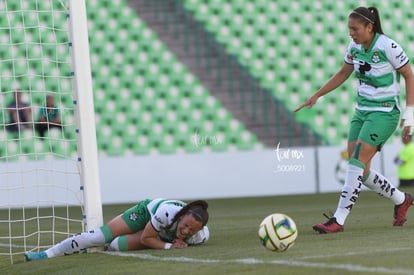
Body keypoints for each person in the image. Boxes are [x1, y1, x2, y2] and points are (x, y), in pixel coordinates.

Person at [295, 6, 414, 233]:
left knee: (356, 161)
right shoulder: (355, 47)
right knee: (362, 170)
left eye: (355, 28)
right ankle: (401, 199)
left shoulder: (387, 46)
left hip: (385, 112)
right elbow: (343, 73)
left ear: (369, 27)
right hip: (362, 112)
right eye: (349, 29)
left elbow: (409, 74)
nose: (351, 33)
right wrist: (317, 94)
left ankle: (338, 219)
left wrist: (410, 114)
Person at [25, 198, 209, 261]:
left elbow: (187, 235)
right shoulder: (166, 212)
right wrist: (170, 246)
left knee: (116, 246)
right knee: (99, 236)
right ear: (182, 215)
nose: (186, 232)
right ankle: (47, 254)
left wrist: (175, 241)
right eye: (185, 226)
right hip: (146, 214)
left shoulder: (200, 236)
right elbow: (146, 238)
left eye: (191, 231)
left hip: (157, 232)